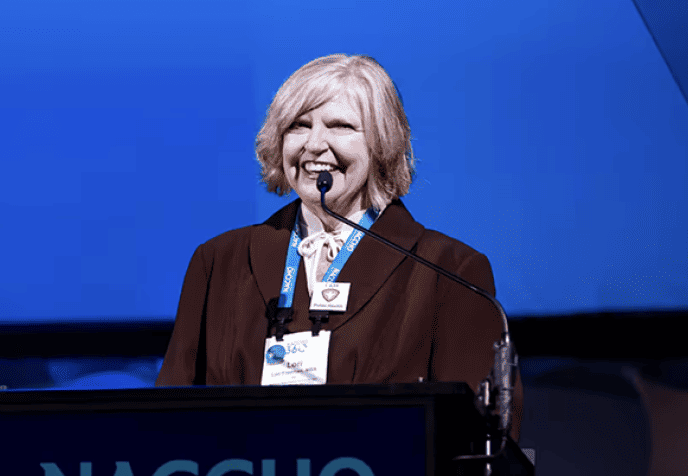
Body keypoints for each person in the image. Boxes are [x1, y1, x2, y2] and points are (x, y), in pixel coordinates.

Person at [156, 53, 521, 442]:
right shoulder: (219, 262)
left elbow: (477, 446)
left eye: (340, 126)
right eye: (299, 125)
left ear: (381, 142)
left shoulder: (449, 271)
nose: (315, 144)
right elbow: (166, 424)